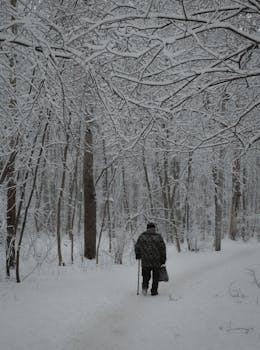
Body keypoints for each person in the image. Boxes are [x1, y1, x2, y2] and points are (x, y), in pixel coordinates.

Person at [135, 222, 166, 296]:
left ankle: (144, 288)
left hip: (145, 260)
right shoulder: (158, 236)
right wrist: (163, 259)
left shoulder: (142, 236)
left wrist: (138, 255)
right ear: (154, 228)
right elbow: (162, 249)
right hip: (156, 260)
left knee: (146, 276)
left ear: (147, 228)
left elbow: (137, 246)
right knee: (156, 276)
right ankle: (154, 291)